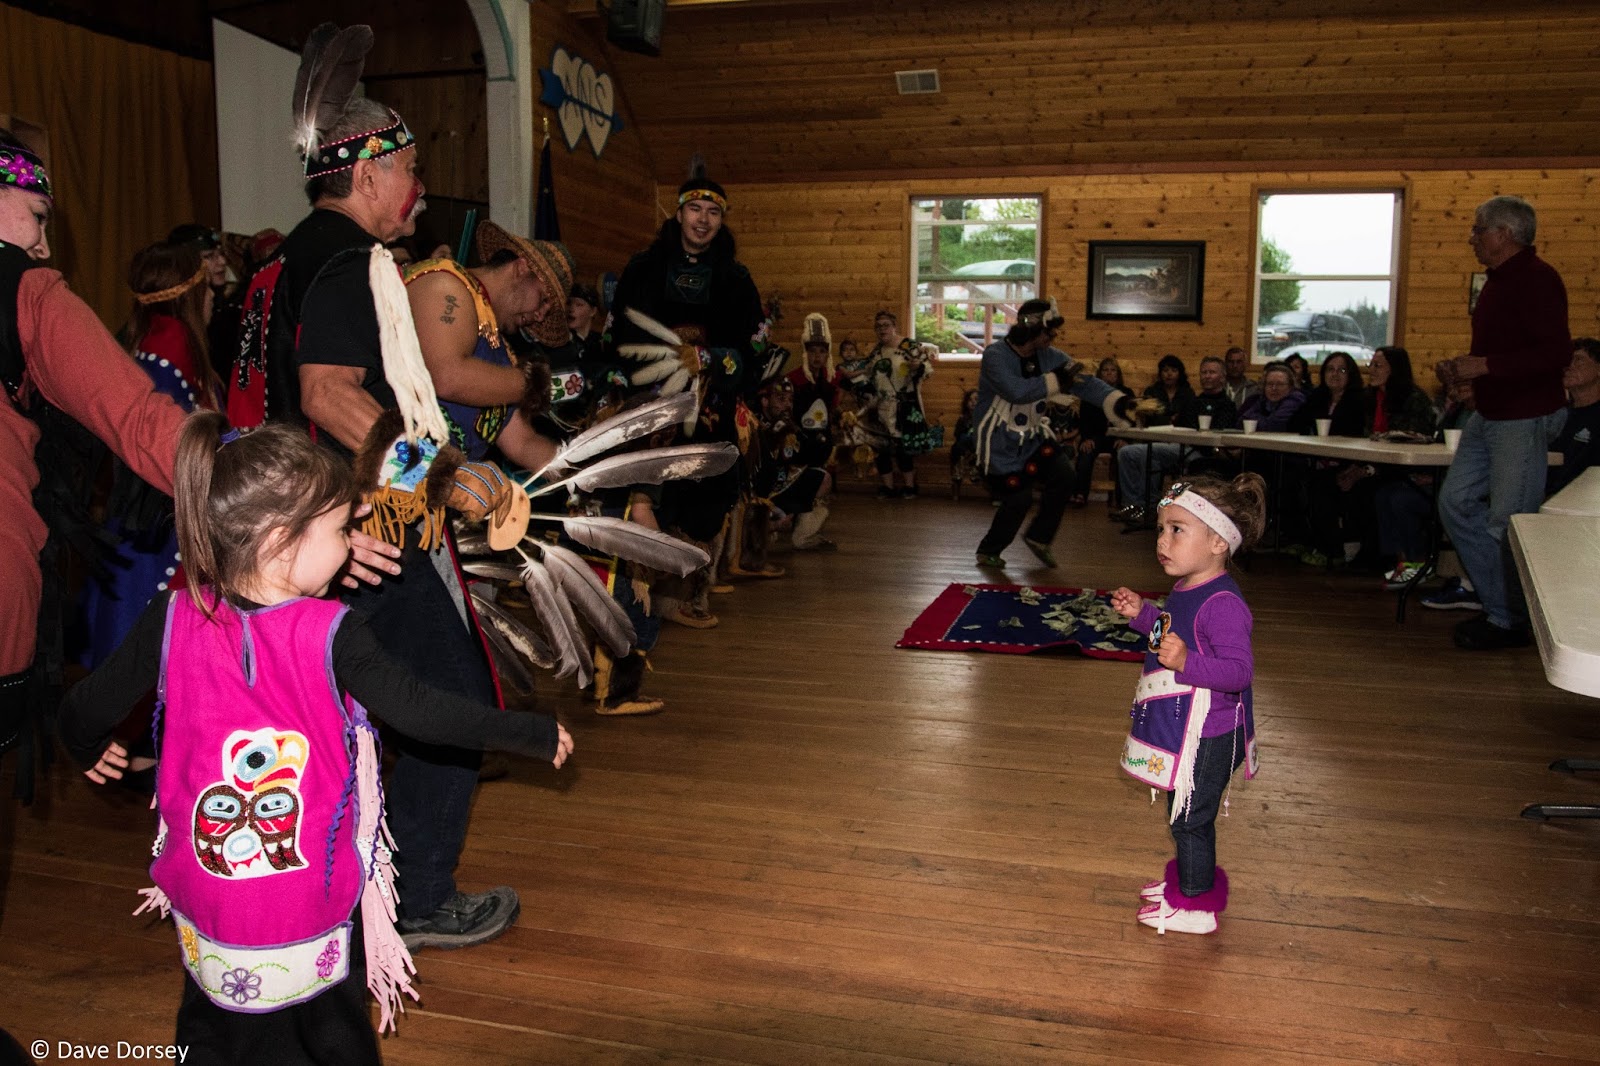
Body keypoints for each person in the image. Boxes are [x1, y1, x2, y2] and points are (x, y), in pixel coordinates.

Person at [59, 414, 573, 1065]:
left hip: (206, 894)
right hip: (304, 901)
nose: (354, 541)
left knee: (213, 1032)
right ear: (281, 542)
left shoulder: (174, 612)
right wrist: (527, 731)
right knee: (331, 1035)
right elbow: (423, 713)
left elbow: (83, 708)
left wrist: (84, 746)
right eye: (342, 530)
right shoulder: (334, 632)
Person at [253, 27, 526, 951]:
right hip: (356, 535)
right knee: (451, 701)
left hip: (292, 535)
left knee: (344, 720)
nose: (416, 189)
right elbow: (330, 397)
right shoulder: (345, 260)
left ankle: (342, 894)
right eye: (406, 168)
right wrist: (445, 477)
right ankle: (415, 900)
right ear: (366, 176)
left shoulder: (284, 259)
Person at [0, 128, 188, 800]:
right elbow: (141, 422)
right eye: (38, 215)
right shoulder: (27, 291)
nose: (44, 244)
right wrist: (276, 492)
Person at [1111, 472, 1266, 935]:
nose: (1163, 540)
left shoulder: (1223, 603)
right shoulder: (1186, 589)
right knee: (1181, 811)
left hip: (1214, 733)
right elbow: (1170, 636)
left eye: (1177, 529)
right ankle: (1190, 881)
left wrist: (1187, 662)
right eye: (1161, 528)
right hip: (1191, 729)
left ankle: (1197, 905)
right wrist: (1142, 614)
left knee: (1191, 819)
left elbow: (1239, 673)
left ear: (1219, 542)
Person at [610, 168, 765, 629]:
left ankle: (693, 594)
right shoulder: (643, 268)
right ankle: (644, 601)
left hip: (713, 407)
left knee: (707, 500)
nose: (703, 219)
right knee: (652, 495)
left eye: (713, 211)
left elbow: (755, 342)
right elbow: (618, 332)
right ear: (678, 213)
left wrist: (714, 359)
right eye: (695, 209)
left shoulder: (735, 277)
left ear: (722, 221)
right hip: (652, 407)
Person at [83, 241, 223, 680]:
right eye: (207, 285)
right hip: (165, 525)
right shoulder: (174, 344)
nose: (215, 295)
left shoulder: (151, 336)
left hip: (155, 518)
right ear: (191, 294)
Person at [1437, 194, 1571, 650]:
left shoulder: (1537, 279)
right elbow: (1511, 355)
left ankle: (1510, 617)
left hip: (1524, 415)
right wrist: (1471, 375)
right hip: (1491, 412)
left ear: (1504, 234)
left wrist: (1486, 367)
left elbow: (1555, 354)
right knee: (1455, 503)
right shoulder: (1499, 282)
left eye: (1478, 229)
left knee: (1508, 521)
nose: (1472, 237)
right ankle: (1503, 607)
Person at [971, 297, 1133, 568]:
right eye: (1049, 331)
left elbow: (1084, 383)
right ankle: (989, 549)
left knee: (1064, 474)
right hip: (999, 444)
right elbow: (1016, 391)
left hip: (1033, 438)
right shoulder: (995, 355)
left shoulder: (1050, 357)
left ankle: (1039, 538)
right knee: (1018, 497)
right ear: (1032, 329)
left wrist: (1118, 400)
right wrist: (1058, 380)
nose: (1053, 336)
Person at [1114, 356, 1240, 524]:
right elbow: (1179, 426)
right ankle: (1135, 506)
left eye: (1212, 372)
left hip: (1204, 453)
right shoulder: (1193, 401)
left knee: (1151, 456)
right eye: (1204, 372)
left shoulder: (1227, 405)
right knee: (1129, 453)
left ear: (1222, 377)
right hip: (1179, 446)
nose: (1207, 376)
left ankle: (1149, 507)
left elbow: (1218, 434)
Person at [864, 310, 936, 498]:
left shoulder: (908, 346)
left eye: (886, 325)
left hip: (904, 405)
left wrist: (917, 367)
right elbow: (869, 373)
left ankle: (910, 487)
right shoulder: (876, 351)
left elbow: (928, 369)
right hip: (880, 406)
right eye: (878, 326)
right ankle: (888, 487)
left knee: (904, 448)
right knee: (881, 448)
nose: (882, 329)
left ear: (894, 327)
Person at [168, 223, 238, 386]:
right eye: (209, 256)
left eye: (221, 254)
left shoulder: (233, 304)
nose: (221, 262)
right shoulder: (173, 312)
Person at [1544, 338, 1600, 497]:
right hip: (1545, 499)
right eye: (1568, 360)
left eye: (1579, 360)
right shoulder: (1557, 415)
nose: (1569, 366)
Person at [1291, 351, 1365, 436]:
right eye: (1330, 369)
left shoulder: (1360, 400)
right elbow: (1295, 424)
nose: (1335, 374)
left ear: (1351, 374)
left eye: (1342, 370)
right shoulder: (1317, 397)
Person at [1238, 362, 1306, 431]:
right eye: (1270, 384)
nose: (1274, 388)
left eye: (1280, 384)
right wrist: (1265, 420)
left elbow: (1274, 425)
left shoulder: (1295, 399)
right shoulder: (1263, 400)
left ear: (1290, 386)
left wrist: (1256, 420)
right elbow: (1242, 421)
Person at [1141, 354, 1194, 426]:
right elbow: (1147, 416)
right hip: (1156, 432)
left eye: (1174, 370)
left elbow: (1190, 416)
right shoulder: (1151, 392)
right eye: (1165, 370)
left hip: (1181, 433)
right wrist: (1168, 420)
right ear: (1160, 373)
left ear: (1180, 374)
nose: (1169, 374)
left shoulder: (1187, 393)